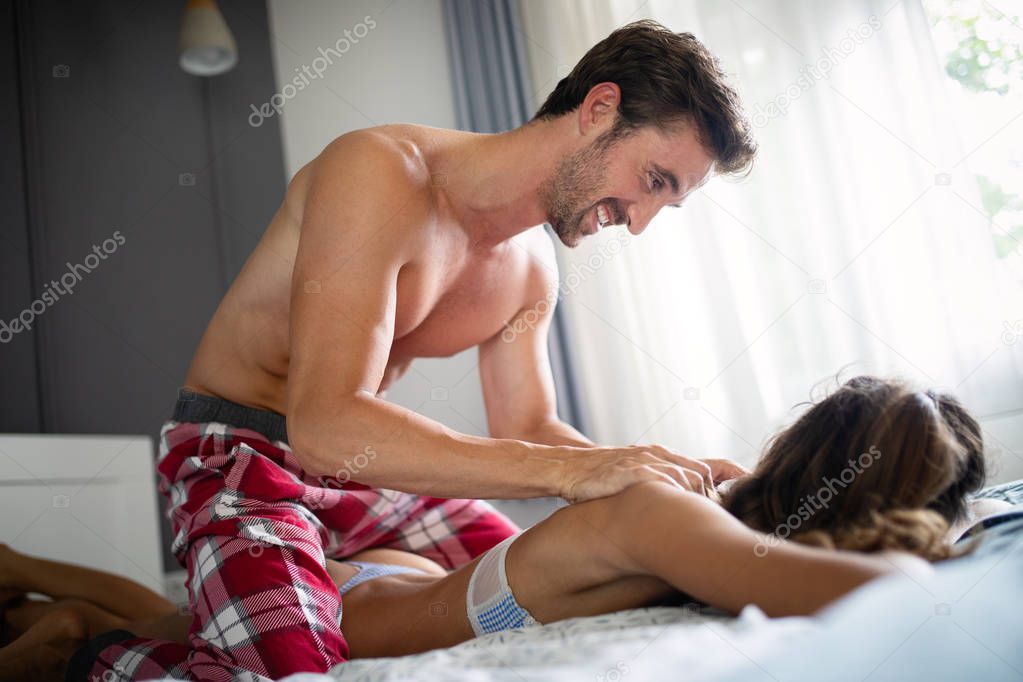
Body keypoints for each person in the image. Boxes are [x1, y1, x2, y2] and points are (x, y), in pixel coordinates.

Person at [73, 18, 760, 680]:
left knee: (576, 582)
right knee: (290, 675)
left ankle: (214, 608)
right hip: (244, 454)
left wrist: (655, 473)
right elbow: (325, 424)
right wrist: (573, 472)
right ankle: (76, 648)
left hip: (368, 474)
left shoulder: (530, 271)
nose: (637, 223)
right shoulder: (379, 172)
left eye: (664, 205)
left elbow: (527, 429)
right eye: (652, 181)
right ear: (599, 109)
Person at [5, 377, 1009, 679]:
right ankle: (70, 630)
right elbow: (864, 590)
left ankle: (34, 573)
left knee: (181, 622)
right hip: (372, 609)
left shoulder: (718, 504)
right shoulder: (677, 517)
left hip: (408, 581)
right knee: (173, 645)